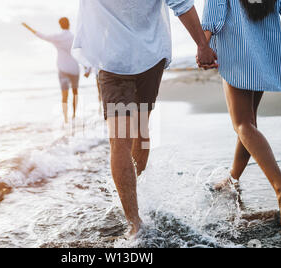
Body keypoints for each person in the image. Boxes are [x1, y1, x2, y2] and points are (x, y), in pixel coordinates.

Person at [73, 0, 218, 236]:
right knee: (136, 131)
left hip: (120, 60)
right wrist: (202, 45)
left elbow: (181, 3)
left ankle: (133, 218)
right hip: (142, 58)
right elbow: (182, 4)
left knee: (124, 138)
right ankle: (134, 206)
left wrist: (202, 44)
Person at [201, 0, 281, 228]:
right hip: (266, 51)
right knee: (248, 123)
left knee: (242, 124)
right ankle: (232, 180)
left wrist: (203, 45)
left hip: (237, 51)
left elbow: (213, 17)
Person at [22, 18, 80, 124]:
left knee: (64, 95)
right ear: (69, 24)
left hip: (63, 68)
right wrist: (88, 68)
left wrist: (28, 28)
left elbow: (42, 36)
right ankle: (74, 115)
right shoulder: (74, 37)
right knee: (75, 93)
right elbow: (81, 51)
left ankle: (66, 118)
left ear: (60, 25)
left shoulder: (57, 37)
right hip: (74, 68)